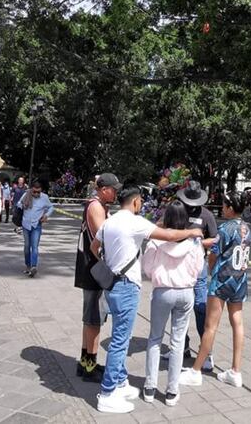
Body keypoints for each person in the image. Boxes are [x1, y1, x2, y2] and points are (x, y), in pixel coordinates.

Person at [90, 185, 202, 414]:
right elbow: (170, 235)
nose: (141, 204)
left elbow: (94, 247)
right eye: (140, 200)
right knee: (121, 340)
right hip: (127, 286)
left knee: (123, 334)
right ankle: (108, 393)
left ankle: (121, 382)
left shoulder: (109, 222)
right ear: (134, 202)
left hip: (112, 284)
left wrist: (110, 264)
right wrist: (191, 232)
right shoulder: (135, 222)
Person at [181, 194, 251, 389]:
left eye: (224, 205)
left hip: (222, 280)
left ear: (230, 208)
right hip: (240, 279)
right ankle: (236, 370)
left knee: (210, 326)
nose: (222, 208)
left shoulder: (225, 228)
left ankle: (196, 370)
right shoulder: (247, 229)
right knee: (238, 323)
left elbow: (213, 255)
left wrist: (211, 271)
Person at [142, 200, 203, 405]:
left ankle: (150, 387)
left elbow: (148, 268)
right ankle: (171, 390)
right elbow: (198, 269)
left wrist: (159, 277)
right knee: (177, 342)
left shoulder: (155, 242)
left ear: (166, 218)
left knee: (155, 339)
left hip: (162, 291)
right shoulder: (193, 242)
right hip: (185, 292)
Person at [74, 172, 118, 382]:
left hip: (90, 268)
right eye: (113, 188)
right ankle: (89, 366)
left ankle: (85, 362)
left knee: (91, 318)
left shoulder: (99, 205)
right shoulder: (96, 207)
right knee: (94, 319)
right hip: (94, 269)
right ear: (103, 189)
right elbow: (104, 235)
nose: (116, 192)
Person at [175, 180, 219, 370]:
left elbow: (216, 239)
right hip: (178, 265)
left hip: (198, 267)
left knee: (201, 308)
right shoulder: (178, 210)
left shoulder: (207, 215)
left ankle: (206, 352)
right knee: (178, 307)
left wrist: (199, 242)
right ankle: (181, 346)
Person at [19, 181, 53, 277]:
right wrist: (23, 205)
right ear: (31, 190)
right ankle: (28, 265)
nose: (36, 194)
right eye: (34, 192)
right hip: (26, 225)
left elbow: (51, 207)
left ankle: (34, 266)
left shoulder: (44, 197)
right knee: (27, 247)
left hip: (36, 225)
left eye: (38, 192)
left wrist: (46, 215)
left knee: (34, 246)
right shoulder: (26, 195)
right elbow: (18, 204)